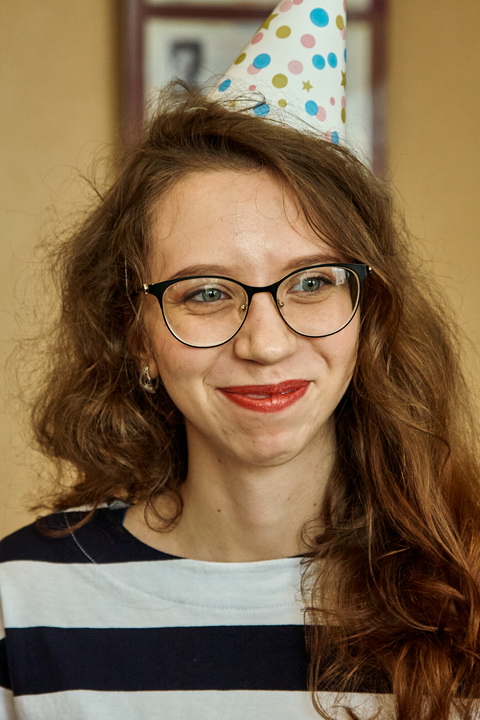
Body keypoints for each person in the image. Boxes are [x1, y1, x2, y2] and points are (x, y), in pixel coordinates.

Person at [0, 82, 479, 720]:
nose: (265, 344)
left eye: (312, 282)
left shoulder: (467, 590)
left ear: (369, 313)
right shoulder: (20, 602)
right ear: (136, 336)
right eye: (206, 293)